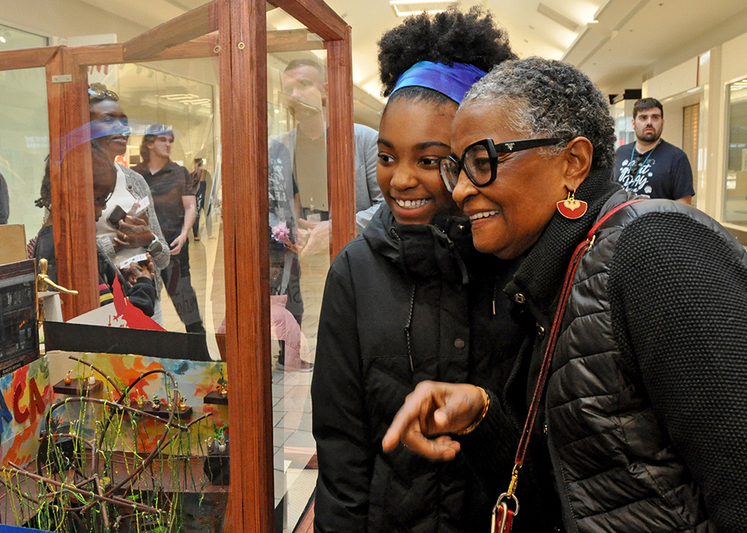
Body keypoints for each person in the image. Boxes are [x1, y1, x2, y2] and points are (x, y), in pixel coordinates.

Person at [383, 58, 747, 533]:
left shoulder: (653, 246)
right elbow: (574, 493)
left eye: (482, 161)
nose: (462, 190)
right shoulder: (559, 271)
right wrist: (482, 415)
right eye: (457, 167)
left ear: (572, 162)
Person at [311, 8, 516, 532]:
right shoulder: (354, 273)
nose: (399, 179)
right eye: (385, 156)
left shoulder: (513, 265)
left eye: (428, 160)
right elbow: (340, 445)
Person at [273, 58, 383, 257]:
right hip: (297, 262)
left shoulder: (365, 140)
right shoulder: (278, 148)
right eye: (289, 90)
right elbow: (268, 208)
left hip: (352, 257)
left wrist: (337, 228)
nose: (295, 95)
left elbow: (386, 206)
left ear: (325, 89)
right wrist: (285, 230)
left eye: (304, 85)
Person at [33, 145, 156, 317]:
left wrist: (117, 280)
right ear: (72, 195)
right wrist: (144, 285)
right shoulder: (68, 247)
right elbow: (116, 319)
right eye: (99, 198)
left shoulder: (62, 238)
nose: (104, 206)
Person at [88, 84, 170, 323]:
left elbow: (163, 257)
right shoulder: (74, 185)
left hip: (147, 299)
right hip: (105, 305)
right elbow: (68, 257)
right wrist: (119, 241)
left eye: (123, 121)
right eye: (108, 120)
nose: (121, 128)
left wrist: (147, 240)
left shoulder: (136, 180)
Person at [133, 124, 205, 333]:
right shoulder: (136, 174)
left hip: (174, 248)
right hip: (143, 253)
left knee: (186, 302)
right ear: (150, 143)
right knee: (145, 305)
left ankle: (199, 351)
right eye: (163, 140)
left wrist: (184, 235)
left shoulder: (179, 172)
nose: (168, 144)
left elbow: (190, 206)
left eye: (171, 141)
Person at [613, 97, 694, 203]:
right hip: (621, 219)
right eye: (643, 117)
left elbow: (684, 207)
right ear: (633, 123)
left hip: (657, 219)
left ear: (662, 123)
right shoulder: (620, 153)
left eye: (655, 117)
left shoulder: (677, 158)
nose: (649, 122)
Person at [190, 158, 211, 241]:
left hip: (205, 198)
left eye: (198, 164)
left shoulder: (206, 173)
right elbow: (190, 187)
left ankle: (209, 234)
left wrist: (213, 197)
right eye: (195, 164)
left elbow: (210, 185)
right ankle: (196, 235)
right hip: (196, 199)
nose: (196, 166)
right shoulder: (192, 175)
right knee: (196, 216)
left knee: (208, 216)